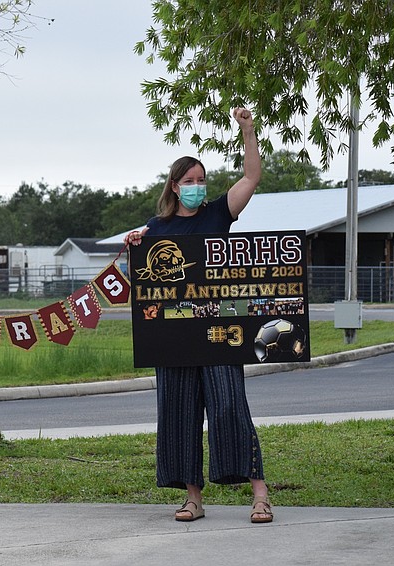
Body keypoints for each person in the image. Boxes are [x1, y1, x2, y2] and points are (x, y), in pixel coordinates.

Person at [124, 108, 273, 524]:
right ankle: (193, 498)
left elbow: (251, 178)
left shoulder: (217, 214)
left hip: (219, 333)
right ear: (174, 186)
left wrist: (248, 130)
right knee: (179, 413)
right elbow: (143, 268)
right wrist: (137, 239)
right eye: (188, 181)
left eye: (201, 179)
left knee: (230, 407)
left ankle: (259, 493)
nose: (196, 186)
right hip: (173, 340)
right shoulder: (158, 226)